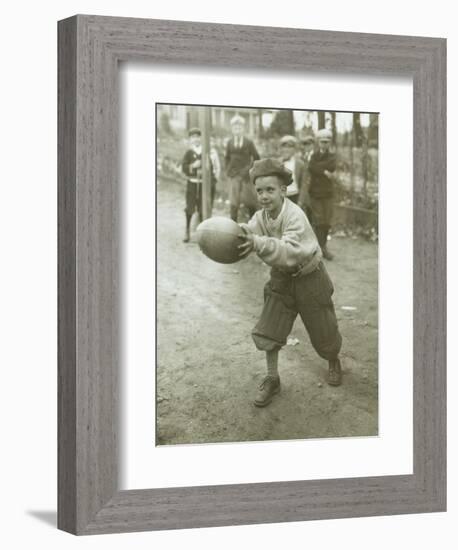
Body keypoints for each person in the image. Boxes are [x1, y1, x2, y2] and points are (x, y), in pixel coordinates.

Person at [238, 158, 343, 407]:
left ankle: (333, 359)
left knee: (323, 328)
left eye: (270, 190)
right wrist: (233, 233)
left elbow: (289, 251)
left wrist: (258, 243)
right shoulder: (261, 216)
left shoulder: (295, 215)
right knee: (269, 326)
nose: (264, 196)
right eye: (260, 190)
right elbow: (249, 230)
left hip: (310, 276)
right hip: (282, 277)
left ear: (283, 191)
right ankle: (272, 378)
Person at [181, 128, 216, 243]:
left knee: (202, 208)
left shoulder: (205, 152)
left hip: (202, 185)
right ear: (190, 139)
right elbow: (184, 168)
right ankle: (187, 231)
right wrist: (193, 166)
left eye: (198, 137)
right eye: (193, 137)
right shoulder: (189, 153)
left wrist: (205, 168)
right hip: (192, 183)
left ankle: (202, 233)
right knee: (189, 208)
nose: (196, 139)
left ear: (201, 138)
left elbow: (210, 167)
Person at [308, 128, 337, 260]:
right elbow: (311, 167)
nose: (324, 144)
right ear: (318, 142)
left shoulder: (332, 156)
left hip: (327, 193)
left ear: (329, 143)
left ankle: (322, 247)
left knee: (326, 221)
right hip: (315, 192)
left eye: (326, 142)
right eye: (321, 141)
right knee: (318, 221)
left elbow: (331, 166)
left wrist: (320, 168)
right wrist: (324, 171)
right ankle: (320, 249)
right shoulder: (313, 156)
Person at [224, 115, 260, 222]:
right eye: (235, 128)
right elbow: (226, 157)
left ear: (243, 129)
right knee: (234, 203)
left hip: (246, 177)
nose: (237, 130)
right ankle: (232, 226)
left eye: (239, 128)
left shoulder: (248, 142)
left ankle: (252, 226)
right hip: (234, 176)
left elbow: (256, 158)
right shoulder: (229, 142)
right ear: (232, 129)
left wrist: (249, 169)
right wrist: (228, 170)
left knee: (250, 202)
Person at [278, 135, 308, 207]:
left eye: (289, 147)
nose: (286, 150)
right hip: (281, 197)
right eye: (284, 147)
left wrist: (300, 202)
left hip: (295, 197)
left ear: (294, 149)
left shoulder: (300, 164)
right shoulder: (277, 163)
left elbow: (304, 184)